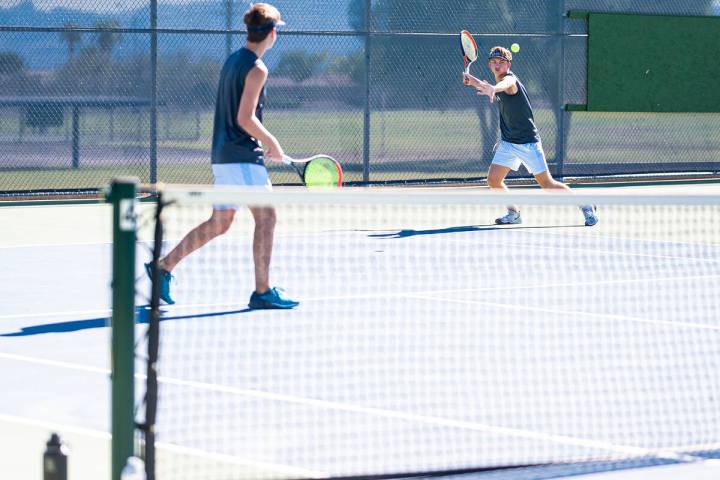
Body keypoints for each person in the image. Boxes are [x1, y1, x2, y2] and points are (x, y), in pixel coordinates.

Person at [145, 3, 299, 309]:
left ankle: (164, 266)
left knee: (221, 221)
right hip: (241, 156)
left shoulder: (233, 61)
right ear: (271, 34)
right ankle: (263, 291)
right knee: (266, 218)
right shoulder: (257, 69)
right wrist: (272, 142)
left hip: (224, 155)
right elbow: (245, 118)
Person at [463, 46, 598, 227]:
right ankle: (513, 213)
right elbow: (492, 89)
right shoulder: (497, 86)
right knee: (494, 180)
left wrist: (493, 87)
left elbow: (503, 86)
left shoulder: (509, 81)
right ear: (489, 64)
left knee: (547, 184)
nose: (497, 65)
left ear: (508, 65)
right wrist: (474, 82)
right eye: (494, 62)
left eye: (501, 63)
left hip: (528, 143)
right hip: (509, 143)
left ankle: (585, 205)